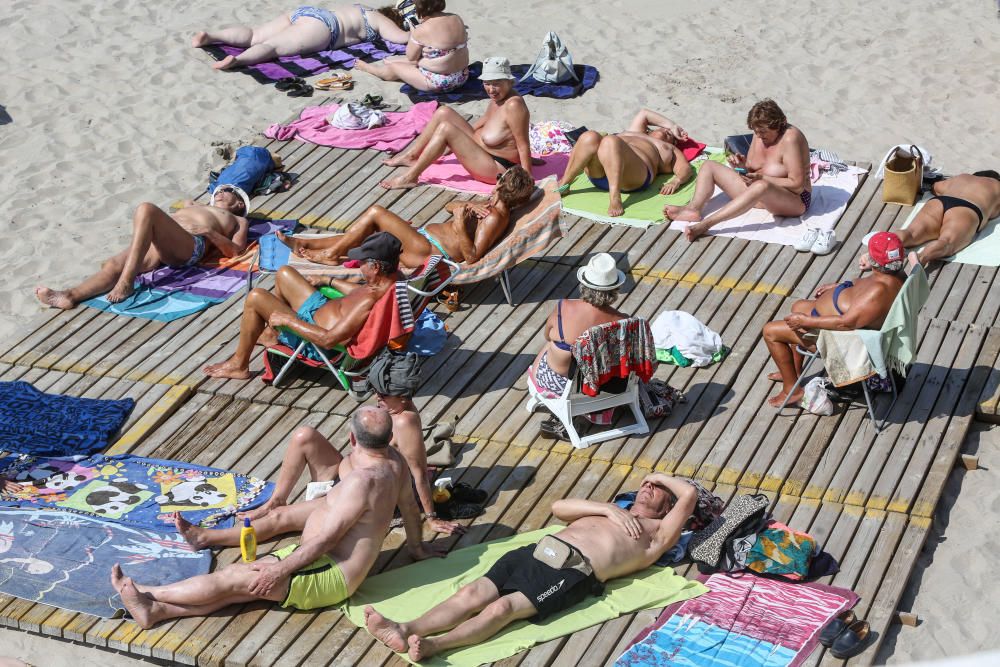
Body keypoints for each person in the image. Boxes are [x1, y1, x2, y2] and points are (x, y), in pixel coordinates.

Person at [111, 406, 442, 628]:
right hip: (323, 565)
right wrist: (417, 548)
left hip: (329, 573)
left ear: (352, 438)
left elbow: (327, 539)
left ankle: (147, 593)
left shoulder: (361, 481)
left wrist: (280, 569)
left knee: (234, 580)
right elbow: (411, 510)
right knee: (240, 586)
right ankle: (155, 610)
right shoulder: (395, 463)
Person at [365, 473, 697, 661]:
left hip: (572, 570)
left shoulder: (658, 535)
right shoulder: (609, 509)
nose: (647, 487)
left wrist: (658, 475)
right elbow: (558, 507)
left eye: (656, 490)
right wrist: (611, 511)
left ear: (667, 506)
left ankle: (437, 645)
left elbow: (690, 494)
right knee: (471, 593)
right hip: (539, 550)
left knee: (501, 608)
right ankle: (406, 628)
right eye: (645, 484)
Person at [174, 420, 465, 543]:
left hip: (348, 498)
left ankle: (205, 538)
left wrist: (430, 517)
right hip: (341, 476)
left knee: (281, 518)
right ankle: (277, 496)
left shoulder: (402, 426)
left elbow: (415, 473)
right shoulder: (383, 424)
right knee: (305, 435)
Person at [202, 231, 403, 380]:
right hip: (321, 309)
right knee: (284, 273)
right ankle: (273, 333)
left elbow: (328, 340)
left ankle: (239, 364)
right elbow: (357, 293)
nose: (358, 265)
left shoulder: (370, 300)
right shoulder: (389, 283)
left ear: (375, 267)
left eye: (362, 262)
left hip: (317, 340)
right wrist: (328, 280)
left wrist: (289, 320)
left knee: (256, 296)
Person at [762, 232, 910, 407]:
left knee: (770, 331)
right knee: (799, 306)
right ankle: (792, 372)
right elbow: (864, 286)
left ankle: (792, 390)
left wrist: (806, 322)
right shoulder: (897, 275)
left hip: (842, 341)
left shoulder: (878, 291)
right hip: (840, 323)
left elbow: (845, 323)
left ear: (874, 260)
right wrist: (840, 288)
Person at [278, 166, 535, 266]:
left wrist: (458, 224)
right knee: (368, 229)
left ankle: (332, 254)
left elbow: (472, 256)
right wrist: (463, 204)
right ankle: (306, 244)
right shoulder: (491, 204)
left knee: (376, 212)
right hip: (423, 242)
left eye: (501, 177)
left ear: (502, 185)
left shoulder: (494, 217)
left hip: (428, 252)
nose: (497, 178)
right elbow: (450, 206)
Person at [35, 191, 249, 309]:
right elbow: (187, 200)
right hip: (163, 240)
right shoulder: (198, 205)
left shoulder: (238, 219)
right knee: (113, 264)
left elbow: (236, 252)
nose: (220, 192)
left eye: (227, 191)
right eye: (218, 190)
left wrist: (208, 233)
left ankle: (126, 283)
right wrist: (194, 204)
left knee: (146, 209)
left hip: (191, 244)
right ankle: (69, 296)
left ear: (239, 203)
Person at [666, 99, 810, 241]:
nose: (759, 136)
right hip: (759, 193)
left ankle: (706, 225)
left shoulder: (790, 138)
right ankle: (693, 209)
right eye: (756, 131)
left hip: (794, 200)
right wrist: (741, 167)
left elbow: (797, 185)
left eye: (764, 132)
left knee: (761, 186)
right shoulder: (758, 134)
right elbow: (752, 169)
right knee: (709, 166)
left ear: (781, 124)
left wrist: (762, 179)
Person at [378, 57, 531, 190]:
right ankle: (411, 155)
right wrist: (459, 143)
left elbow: (523, 144)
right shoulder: (499, 98)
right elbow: (481, 123)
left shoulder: (513, 105)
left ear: (510, 82)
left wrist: (526, 178)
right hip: (482, 152)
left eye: (496, 83)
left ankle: (410, 177)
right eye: (487, 83)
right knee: (443, 112)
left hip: (497, 168)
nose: (491, 89)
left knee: (446, 129)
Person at [528, 253, 627, 439]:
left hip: (565, 387)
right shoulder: (623, 322)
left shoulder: (564, 307)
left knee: (552, 343)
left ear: (584, 284)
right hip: (606, 388)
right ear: (615, 289)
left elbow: (546, 335)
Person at [556, 109, 694, 217]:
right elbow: (644, 113)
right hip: (601, 172)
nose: (667, 131)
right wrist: (673, 126)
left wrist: (676, 181)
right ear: (650, 129)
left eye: (670, 135)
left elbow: (685, 168)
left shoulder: (668, 148)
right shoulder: (635, 131)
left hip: (632, 178)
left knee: (611, 140)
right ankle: (565, 184)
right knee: (589, 136)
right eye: (664, 129)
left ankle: (615, 197)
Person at [192, 5, 411, 70]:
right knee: (272, 47)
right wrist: (417, 32)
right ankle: (238, 60)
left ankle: (211, 36)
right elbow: (400, 38)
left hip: (309, 12)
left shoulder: (362, 7)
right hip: (325, 29)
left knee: (254, 34)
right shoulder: (380, 19)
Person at [354, 0, 469, 92]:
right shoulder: (456, 18)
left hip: (440, 83)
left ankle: (369, 68)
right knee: (428, 54)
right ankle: (394, 62)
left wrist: (413, 32)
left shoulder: (422, 30)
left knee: (394, 68)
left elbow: (411, 57)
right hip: (462, 75)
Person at [893, 171, 1000, 265]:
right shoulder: (997, 186)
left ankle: (887, 244)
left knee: (911, 233)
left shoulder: (962, 177)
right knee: (946, 242)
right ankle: (921, 258)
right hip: (968, 209)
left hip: (940, 201)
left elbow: (935, 187)